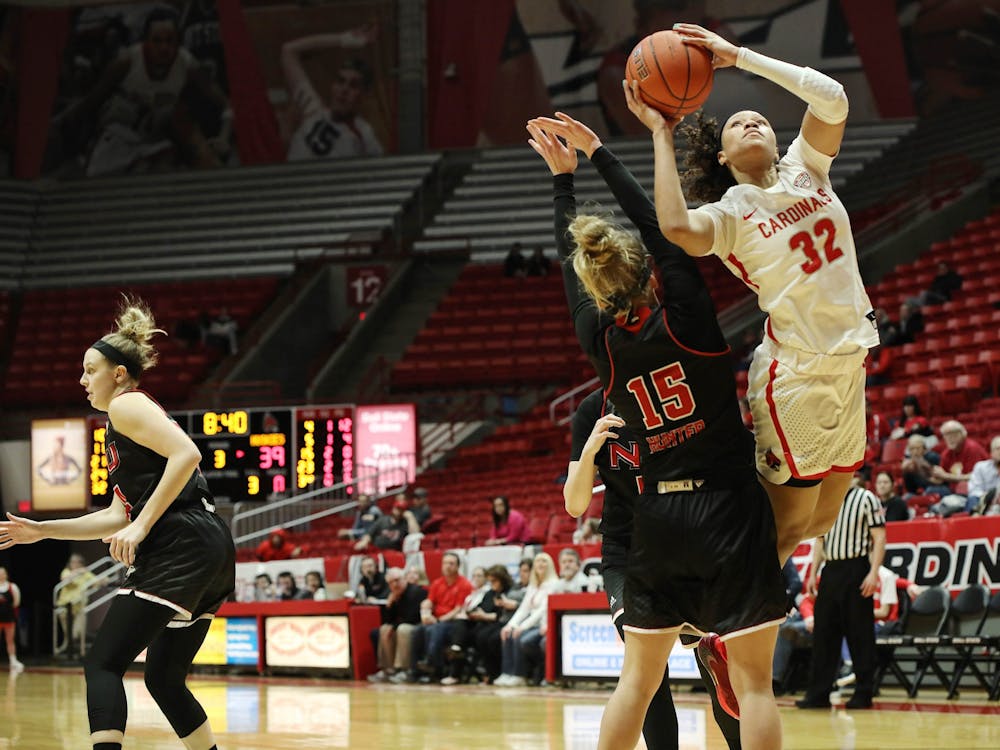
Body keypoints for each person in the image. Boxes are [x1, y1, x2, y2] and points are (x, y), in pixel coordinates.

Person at [527, 110, 787, 749]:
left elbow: (576, 282)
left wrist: (564, 183)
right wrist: (598, 157)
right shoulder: (691, 323)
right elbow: (660, 224)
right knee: (752, 685)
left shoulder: (604, 347)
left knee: (636, 686)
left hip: (657, 521)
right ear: (652, 276)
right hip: (728, 507)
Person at [626, 25, 883, 567]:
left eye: (760, 119)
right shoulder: (730, 214)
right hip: (798, 374)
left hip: (849, 362)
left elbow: (832, 98)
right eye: (738, 123)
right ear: (722, 158)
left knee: (822, 520)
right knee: (787, 527)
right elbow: (673, 226)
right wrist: (660, 132)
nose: (751, 122)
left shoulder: (808, 169)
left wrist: (741, 57)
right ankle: (711, 615)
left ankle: (722, 604)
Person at [0, 297, 235, 750]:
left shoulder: (125, 406)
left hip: (180, 540)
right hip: (212, 548)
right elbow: (114, 515)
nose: (83, 380)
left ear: (119, 374)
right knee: (165, 680)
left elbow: (188, 453)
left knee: (102, 664)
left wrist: (143, 527)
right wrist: (43, 530)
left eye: (91, 370)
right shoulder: (126, 422)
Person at [565, 388, 743, 748]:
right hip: (626, 553)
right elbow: (574, 504)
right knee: (645, 672)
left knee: (713, 665)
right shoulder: (591, 409)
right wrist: (588, 452)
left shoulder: (678, 398)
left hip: (686, 546)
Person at [53, 7, 229, 176]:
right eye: (157, 41)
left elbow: (226, 104)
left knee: (166, 162)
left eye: (170, 41)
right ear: (146, 41)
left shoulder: (188, 64)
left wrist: (224, 136)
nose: (164, 48)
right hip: (117, 138)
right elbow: (92, 101)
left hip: (154, 141)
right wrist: (65, 125)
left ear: (178, 42)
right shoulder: (126, 62)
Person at [796, 484, 886, 710]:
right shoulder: (825, 499)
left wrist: (874, 572)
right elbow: (820, 540)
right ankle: (818, 694)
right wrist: (813, 572)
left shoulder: (866, 498)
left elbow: (880, 538)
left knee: (860, 633)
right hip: (830, 571)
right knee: (824, 634)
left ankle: (864, 693)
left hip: (856, 569)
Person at [282, 25, 383, 160]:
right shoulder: (312, 109)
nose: (344, 90)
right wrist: (345, 39)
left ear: (363, 95)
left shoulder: (364, 134)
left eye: (353, 85)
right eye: (340, 81)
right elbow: (289, 50)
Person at [406, 552, 473, 683]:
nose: (447, 566)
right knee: (417, 630)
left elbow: (458, 609)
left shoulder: (464, 584)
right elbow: (429, 601)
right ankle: (415, 670)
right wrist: (426, 613)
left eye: (451, 563)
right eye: (445, 563)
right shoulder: (437, 583)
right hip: (436, 620)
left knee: (434, 630)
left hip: (453, 622)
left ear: (458, 566)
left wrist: (438, 620)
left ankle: (435, 667)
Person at [495, 552, 560, 687]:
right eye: (538, 561)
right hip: (531, 624)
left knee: (518, 636)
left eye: (544, 561)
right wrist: (510, 625)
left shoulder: (554, 584)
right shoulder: (533, 586)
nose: (540, 564)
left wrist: (522, 627)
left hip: (542, 624)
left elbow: (543, 610)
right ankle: (507, 672)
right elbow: (523, 609)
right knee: (507, 633)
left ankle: (520, 675)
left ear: (550, 565)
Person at [369, 567, 425, 683]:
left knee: (402, 629)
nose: (394, 584)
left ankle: (404, 669)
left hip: (418, 625)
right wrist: (389, 606)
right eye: (390, 582)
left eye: (397, 580)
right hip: (401, 624)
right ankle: (388, 669)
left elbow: (412, 617)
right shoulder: (394, 595)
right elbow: (387, 620)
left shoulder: (416, 592)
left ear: (405, 579)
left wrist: (393, 626)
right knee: (384, 629)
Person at [56, 553, 97, 656]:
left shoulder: (85, 573)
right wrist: (78, 572)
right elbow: (65, 579)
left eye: (76, 562)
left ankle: (75, 652)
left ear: (81, 563)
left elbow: (97, 581)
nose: (73, 564)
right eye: (72, 562)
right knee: (68, 634)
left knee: (77, 633)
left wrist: (98, 582)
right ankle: (66, 651)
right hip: (65, 606)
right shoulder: (67, 571)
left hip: (80, 607)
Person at [354, 497, 419, 551]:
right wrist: (364, 541)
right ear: (393, 508)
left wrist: (410, 517)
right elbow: (369, 533)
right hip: (377, 551)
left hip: (394, 553)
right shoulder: (382, 520)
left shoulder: (404, 523)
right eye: (397, 508)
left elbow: (416, 534)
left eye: (401, 510)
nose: (398, 512)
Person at [964, 436, 1000, 514]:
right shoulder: (980, 467)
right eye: (998, 449)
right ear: (991, 452)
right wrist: (988, 498)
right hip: (984, 503)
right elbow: (974, 490)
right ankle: (973, 522)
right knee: (972, 499)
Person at [0, 567, 22, 673]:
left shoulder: (12, 587)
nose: (1, 575)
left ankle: (13, 661)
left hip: (8, 618)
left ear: (6, 574)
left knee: (10, 640)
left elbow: (16, 602)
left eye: (3, 573)